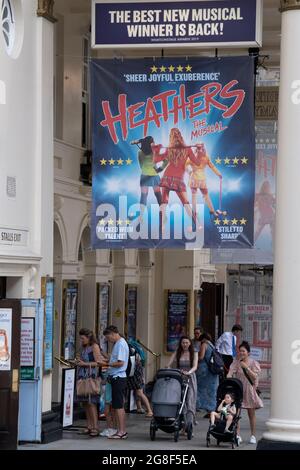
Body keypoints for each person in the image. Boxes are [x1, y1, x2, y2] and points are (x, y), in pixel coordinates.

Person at [152, 128, 204, 232]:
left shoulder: (169, 149)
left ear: (171, 137)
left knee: (164, 202)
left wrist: (155, 150)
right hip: (178, 179)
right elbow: (198, 163)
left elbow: (156, 160)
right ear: (180, 136)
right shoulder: (188, 149)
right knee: (185, 203)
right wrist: (200, 150)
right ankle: (197, 225)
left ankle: (161, 227)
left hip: (167, 177)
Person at [227, 341, 263, 445]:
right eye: (240, 351)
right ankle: (237, 435)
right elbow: (230, 373)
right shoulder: (236, 362)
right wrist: (229, 377)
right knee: (236, 414)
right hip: (238, 390)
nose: (241, 353)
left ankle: (253, 435)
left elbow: (255, 377)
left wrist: (246, 367)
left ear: (248, 353)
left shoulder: (253, 363)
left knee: (251, 414)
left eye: (243, 351)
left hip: (249, 391)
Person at [75, 328, 107, 437]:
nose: (81, 340)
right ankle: (89, 426)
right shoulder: (84, 347)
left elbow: (99, 363)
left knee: (91, 403)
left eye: (83, 338)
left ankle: (95, 427)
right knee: (85, 403)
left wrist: (84, 364)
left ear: (88, 337)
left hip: (91, 377)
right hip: (83, 377)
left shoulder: (94, 346)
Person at [103, 325, 129, 439]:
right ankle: (120, 430)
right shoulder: (118, 344)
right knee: (117, 405)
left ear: (113, 334)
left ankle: (121, 431)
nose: (108, 340)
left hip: (118, 377)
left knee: (119, 406)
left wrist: (107, 364)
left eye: (108, 338)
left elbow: (120, 362)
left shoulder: (121, 344)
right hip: (115, 377)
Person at [167, 336, 198, 429]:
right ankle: (182, 425)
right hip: (179, 377)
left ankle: (189, 425)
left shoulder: (194, 353)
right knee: (180, 401)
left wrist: (189, 372)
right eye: (183, 342)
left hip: (190, 378)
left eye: (187, 343)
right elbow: (169, 364)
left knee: (189, 400)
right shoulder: (178, 352)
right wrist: (168, 368)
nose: (185, 344)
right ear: (180, 343)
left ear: (190, 343)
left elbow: (195, 366)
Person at [186, 143, 222, 218]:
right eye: (199, 148)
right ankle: (196, 213)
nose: (200, 150)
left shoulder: (204, 157)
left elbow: (212, 166)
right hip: (196, 179)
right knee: (196, 196)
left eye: (201, 148)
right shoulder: (193, 157)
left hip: (199, 179)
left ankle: (211, 211)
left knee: (204, 195)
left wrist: (218, 174)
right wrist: (189, 171)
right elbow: (184, 164)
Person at [196, 332, 219, 416]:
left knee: (199, 388)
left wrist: (194, 358)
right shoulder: (212, 345)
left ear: (203, 339)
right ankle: (211, 409)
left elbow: (201, 357)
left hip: (204, 370)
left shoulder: (204, 345)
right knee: (211, 390)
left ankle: (199, 406)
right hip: (212, 370)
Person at [127, 353, 153, 418]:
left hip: (135, 374)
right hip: (136, 373)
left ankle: (149, 410)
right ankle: (139, 408)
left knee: (139, 393)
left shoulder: (132, 349)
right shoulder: (137, 349)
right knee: (137, 392)